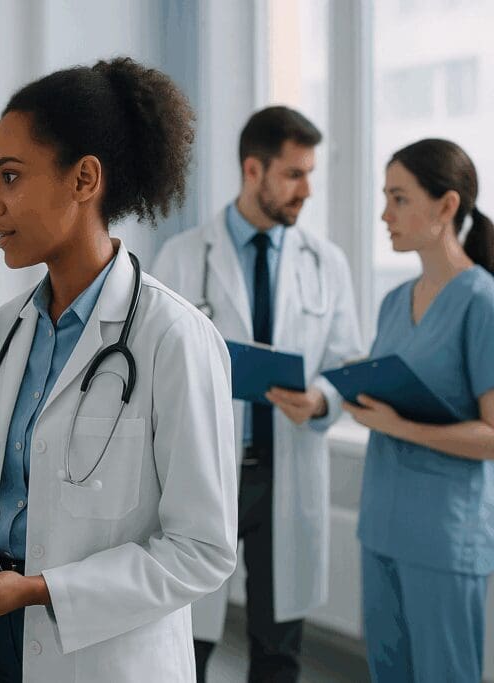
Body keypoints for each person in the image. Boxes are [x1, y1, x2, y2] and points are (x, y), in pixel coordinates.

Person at [0, 56, 236, 683]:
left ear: (84, 179)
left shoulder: (173, 338)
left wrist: (41, 590)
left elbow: (202, 550)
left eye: (10, 177)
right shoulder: (6, 330)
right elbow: (3, 500)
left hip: (101, 653)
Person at [153, 106, 363, 682]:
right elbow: (156, 364)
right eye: (294, 174)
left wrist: (321, 399)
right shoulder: (183, 256)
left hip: (287, 467)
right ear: (254, 169)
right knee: (187, 643)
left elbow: (346, 359)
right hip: (210, 474)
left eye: (309, 173)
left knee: (277, 648)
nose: (307, 190)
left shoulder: (327, 263)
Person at [347, 138, 494, 683]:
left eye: (400, 198)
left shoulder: (482, 302)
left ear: (446, 206)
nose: (385, 214)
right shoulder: (392, 302)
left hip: (443, 536)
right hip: (380, 525)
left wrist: (401, 425)